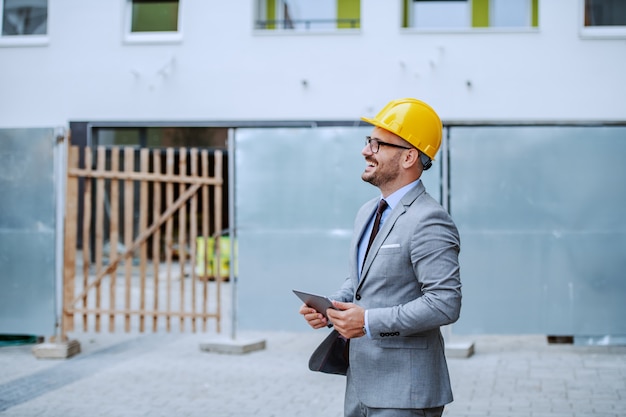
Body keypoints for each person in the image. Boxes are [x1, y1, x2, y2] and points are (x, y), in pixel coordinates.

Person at [299, 98, 462, 417]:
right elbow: (362, 282)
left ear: (409, 157)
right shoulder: (368, 213)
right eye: (367, 141)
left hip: (405, 393)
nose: (366, 150)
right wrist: (332, 307)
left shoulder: (429, 219)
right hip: (360, 384)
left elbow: (445, 302)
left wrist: (368, 321)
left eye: (377, 143)